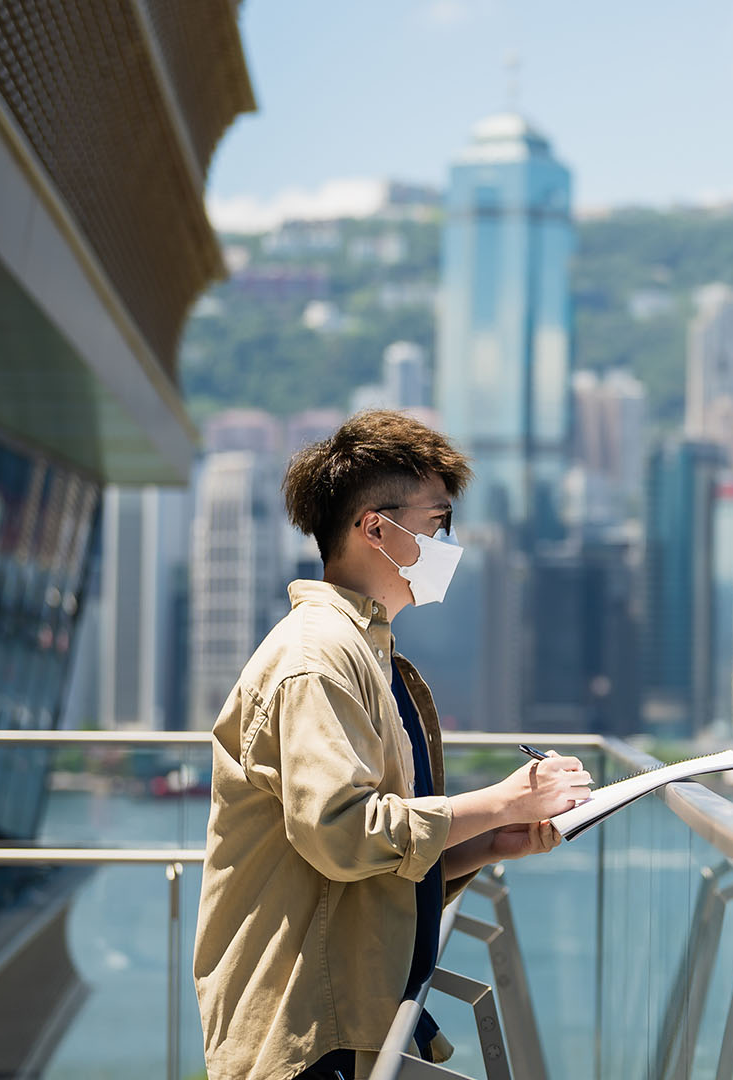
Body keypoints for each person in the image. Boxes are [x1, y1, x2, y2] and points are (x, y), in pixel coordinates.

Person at [193, 411, 591, 1080]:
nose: (447, 544)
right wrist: (502, 800)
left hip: (347, 1018)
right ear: (375, 528)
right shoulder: (317, 658)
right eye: (436, 525)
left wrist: (495, 840)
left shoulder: (365, 651)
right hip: (309, 1031)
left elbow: (369, 850)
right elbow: (345, 834)